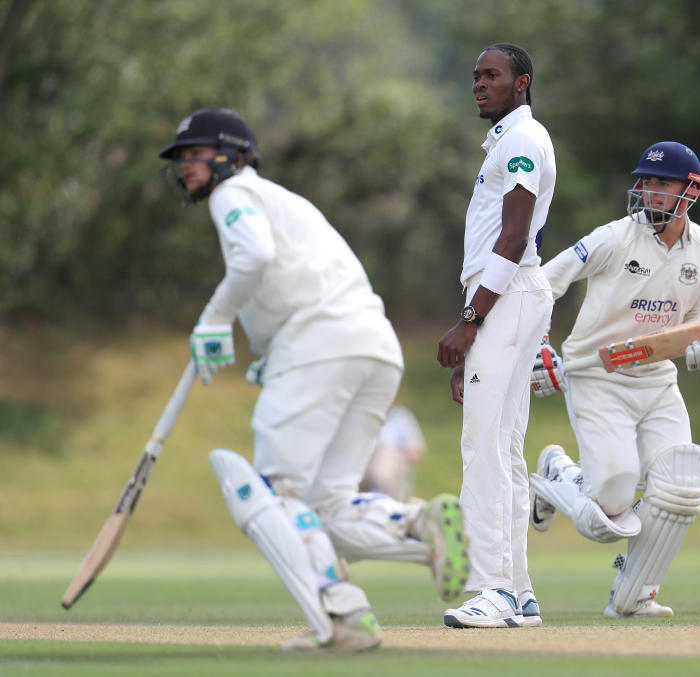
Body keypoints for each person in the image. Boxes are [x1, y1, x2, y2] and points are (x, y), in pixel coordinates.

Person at [158, 107, 469, 652]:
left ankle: (342, 616)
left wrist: (214, 319)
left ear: (233, 154)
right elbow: (296, 278)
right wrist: (272, 347)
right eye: (181, 157)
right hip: (373, 346)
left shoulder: (235, 195)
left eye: (195, 153)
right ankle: (418, 523)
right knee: (325, 505)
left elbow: (255, 258)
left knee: (277, 494)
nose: (186, 166)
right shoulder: (285, 200)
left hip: (320, 346)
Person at [528, 141, 700, 618]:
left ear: (691, 190)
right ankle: (557, 473)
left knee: (681, 488)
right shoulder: (613, 239)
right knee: (606, 515)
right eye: (647, 182)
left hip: (657, 380)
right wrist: (539, 347)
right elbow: (542, 284)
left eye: (663, 183)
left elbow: (699, 323)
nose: (650, 192)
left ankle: (633, 597)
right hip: (597, 376)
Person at [436, 43, 556, 629]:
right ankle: (519, 591)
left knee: (482, 446)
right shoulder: (507, 141)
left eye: (493, 75)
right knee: (503, 446)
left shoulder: (523, 142)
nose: (480, 84)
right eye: (477, 76)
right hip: (505, 299)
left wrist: (471, 321)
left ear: (522, 82)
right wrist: (475, 320)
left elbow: (512, 239)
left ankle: (493, 591)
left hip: (507, 296)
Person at [360, 405, 427, 502]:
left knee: (384, 454)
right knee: (381, 453)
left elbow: (418, 452)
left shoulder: (401, 416)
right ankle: (380, 499)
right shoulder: (365, 415)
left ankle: (379, 497)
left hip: (394, 464)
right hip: (366, 461)